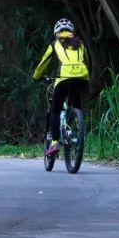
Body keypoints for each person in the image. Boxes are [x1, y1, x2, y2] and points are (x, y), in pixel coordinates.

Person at [31, 18, 89, 156]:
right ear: (72, 32)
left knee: (55, 110)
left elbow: (43, 63)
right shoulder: (80, 44)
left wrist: (36, 77)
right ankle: (76, 129)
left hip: (63, 79)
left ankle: (55, 142)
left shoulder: (55, 44)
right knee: (76, 105)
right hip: (82, 78)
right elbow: (87, 62)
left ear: (56, 33)